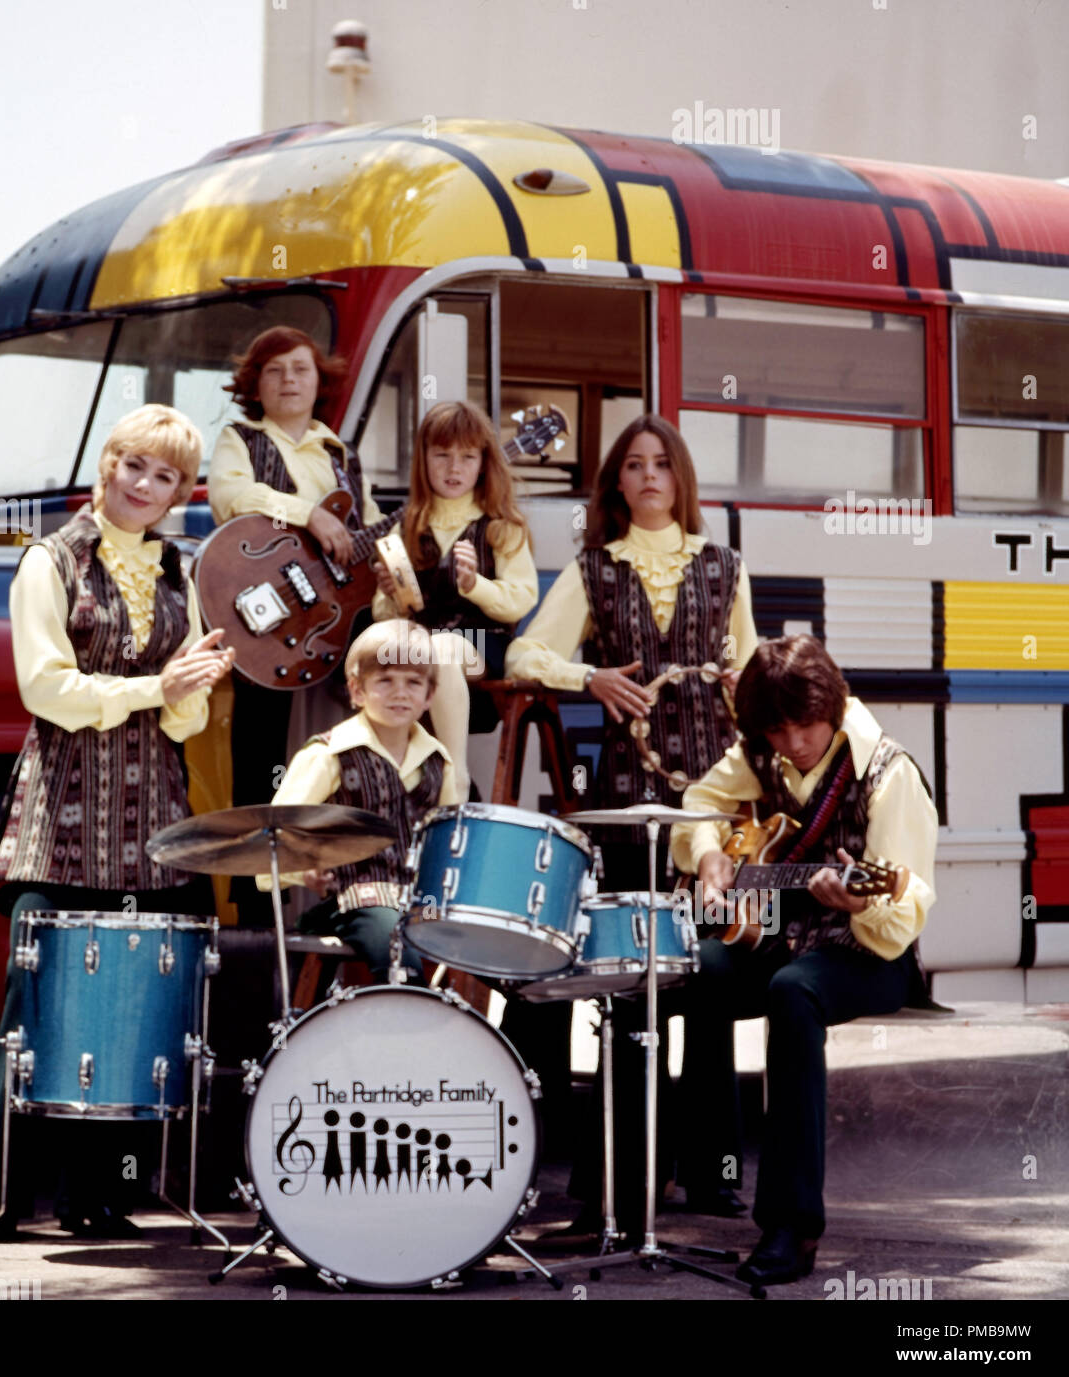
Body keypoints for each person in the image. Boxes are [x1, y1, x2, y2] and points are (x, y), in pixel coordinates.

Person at [0, 405, 234, 1243]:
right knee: (35, 1014)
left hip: (154, 814)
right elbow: (45, 688)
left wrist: (194, 691)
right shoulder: (51, 559)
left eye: (168, 477)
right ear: (108, 464)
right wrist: (159, 687)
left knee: (133, 1010)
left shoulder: (182, 570)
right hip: (65, 809)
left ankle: (98, 1198)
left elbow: (185, 723)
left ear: (183, 489)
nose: (147, 487)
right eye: (136, 467)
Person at [505, 413, 758, 1234]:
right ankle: (618, 1178)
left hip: (717, 798)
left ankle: (714, 1175)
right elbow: (521, 657)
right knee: (631, 983)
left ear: (680, 478)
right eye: (634, 466)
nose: (649, 476)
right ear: (616, 483)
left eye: (662, 464)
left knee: (713, 974)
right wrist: (592, 678)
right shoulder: (594, 568)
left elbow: (754, 681)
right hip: (631, 798)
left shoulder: (726, 566)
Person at [669, 635, 938, 1287]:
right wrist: (707, 853)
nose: (792, 741)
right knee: (695, 966)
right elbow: (698, 804)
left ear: (834, 704)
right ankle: (708, 1173)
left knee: (794, 992)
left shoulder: (888, 773)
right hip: (785, 936)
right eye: (777, 728)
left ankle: (794, 1223)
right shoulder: (761, 748)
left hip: (869, 951)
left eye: (804, 725)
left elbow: (906, 910)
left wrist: (860, 900)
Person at [208, 327, 397, 900]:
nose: (289, 380)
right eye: (274, 371)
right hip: (263, 614)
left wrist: (384, 565)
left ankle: (345, 893)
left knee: (350, 742)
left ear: (321, 383)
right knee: (259, 750)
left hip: (328, 626)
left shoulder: (341, 455)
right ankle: (253, 907)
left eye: (301, 369)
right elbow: (230, 496)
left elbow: (360, 539)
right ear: (254, 387)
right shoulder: (240, 438)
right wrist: (308, 514)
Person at [261, 619, 462, 984]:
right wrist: (303, 871)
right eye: (384, 680)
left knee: (503, 952)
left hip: (420, 906)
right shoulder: (328, 754)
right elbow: (273, 839)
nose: (400, 693)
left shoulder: (438, 761)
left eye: (413, 682)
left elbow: (447, 846)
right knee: (399, 951)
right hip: (352, 901)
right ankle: (405, 1029)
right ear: (356, 691)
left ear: (430, 695)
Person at [372, 400, 539, 801]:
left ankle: (455, 779)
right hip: (418, 646)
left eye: (467, 457)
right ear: (424, 460)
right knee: (390, 651)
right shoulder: (406, 525)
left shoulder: (503, 527)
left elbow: (521, 599)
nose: (453, 468)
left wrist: (475, 584)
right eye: (442, 455)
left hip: (484, 641)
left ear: (484, 463)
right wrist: (394, 596)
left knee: (443, 649)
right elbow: (382, 614)